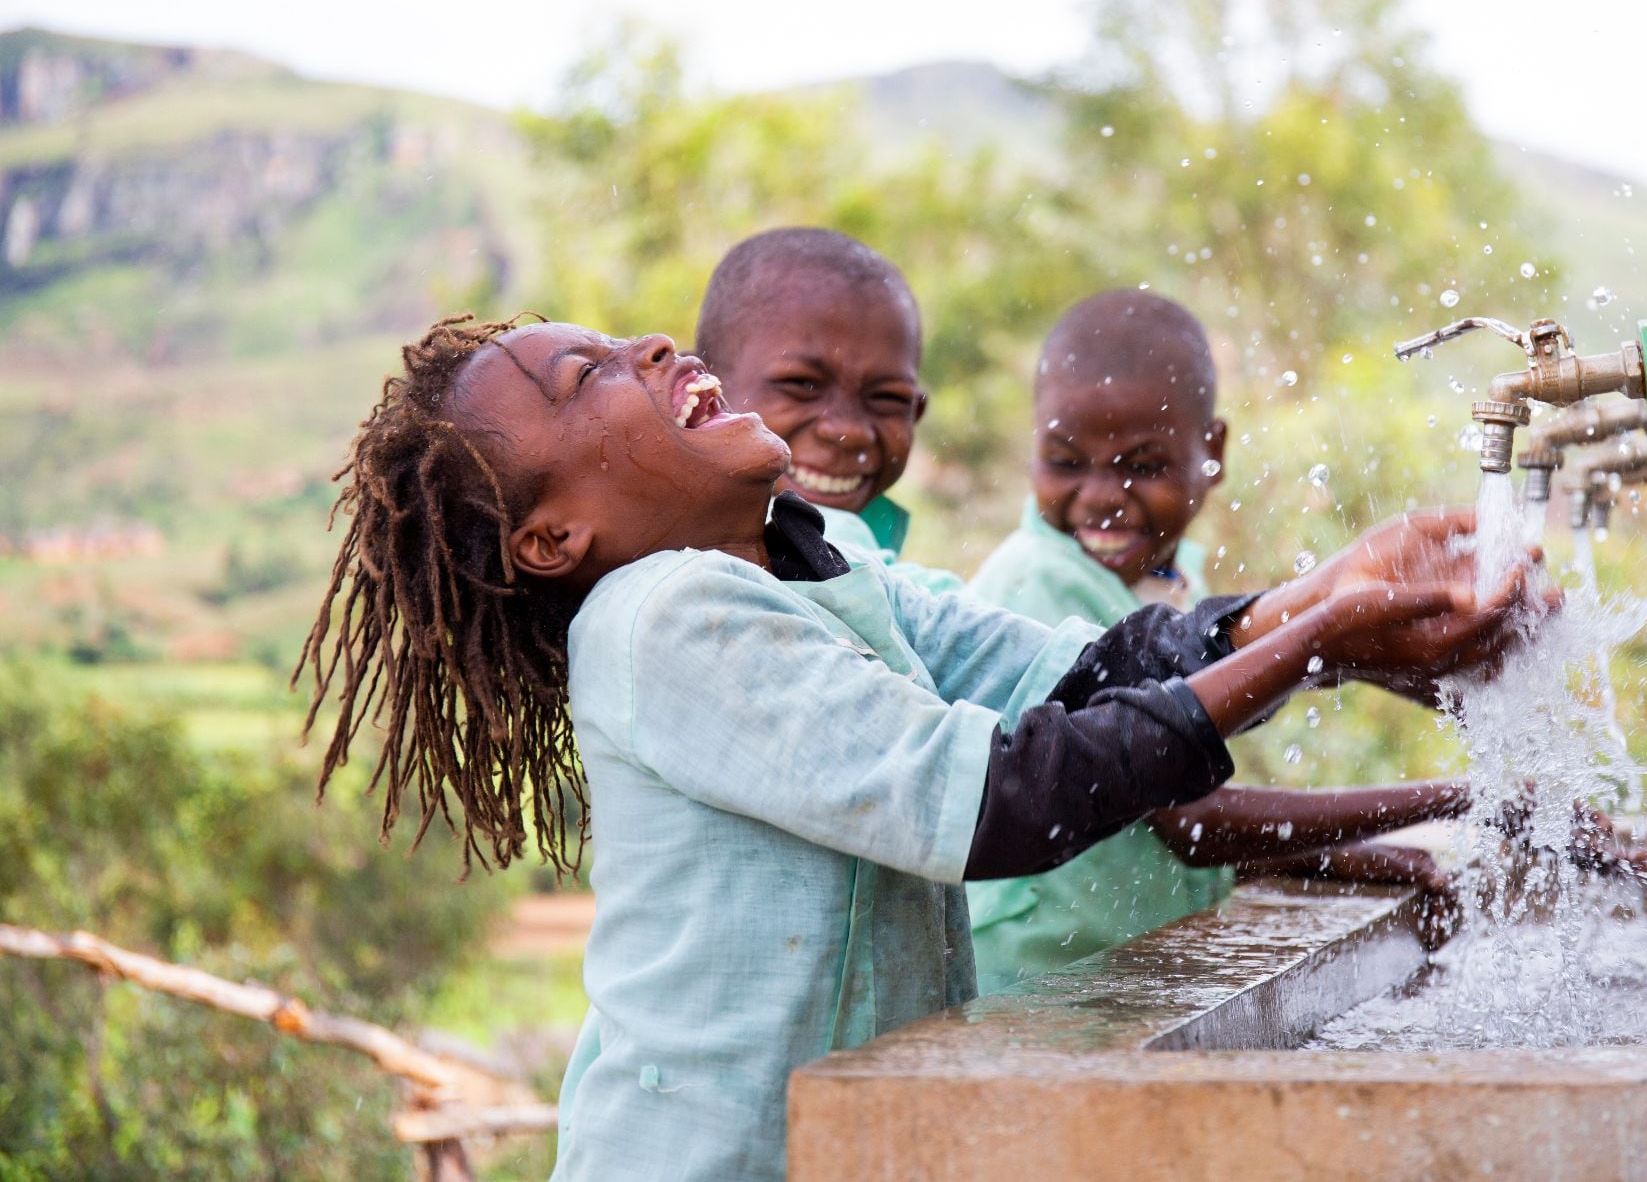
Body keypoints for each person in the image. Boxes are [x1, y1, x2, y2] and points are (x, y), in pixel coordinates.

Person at [296, 313, 1528, 1182]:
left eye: (626, 339)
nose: (652, 349)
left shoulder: (818, 557)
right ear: (553, 539)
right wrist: (1325, 630)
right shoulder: (658, 620)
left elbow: (1081, 674)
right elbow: (1002, 802)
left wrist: (1328, 606)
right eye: (590, 377)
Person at [965, 291, 1549, 991]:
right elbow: (1194, 826)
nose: (1101, 495)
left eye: (1142, 465)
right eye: (1065, 461)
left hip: (1109, 976)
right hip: (1034, 990)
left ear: (1211, 452)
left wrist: (1349, 857)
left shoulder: (1170, 582)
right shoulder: (1038, 582)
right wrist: (1460, 796)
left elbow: (1151, 827)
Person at [696, 226, 962, 593]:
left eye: (886, 398)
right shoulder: (663, 559)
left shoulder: (898, 575)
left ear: (914, 413)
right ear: (701, 389)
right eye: (802, 385)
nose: (849, 430)